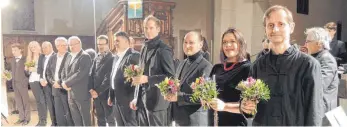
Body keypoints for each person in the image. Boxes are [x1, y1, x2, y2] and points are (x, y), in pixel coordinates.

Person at [240, 5, 323, 126]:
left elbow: (314, 111)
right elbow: (248, 103)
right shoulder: (258, 65)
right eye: (270, 25)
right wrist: (245, 106)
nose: (275, 29)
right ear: (265, 30)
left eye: (281, 24)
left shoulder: (308, 65)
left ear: (292, 27)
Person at [130, 15, 176, 126]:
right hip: (143, 101)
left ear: (158, 29)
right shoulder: (144, 47)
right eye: (146, 28)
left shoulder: (163, 49)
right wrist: (136, 97)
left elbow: (170, 77)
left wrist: (148, 79)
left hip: (157, 103)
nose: (148, 31)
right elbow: (141, 74)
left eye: (151, 28)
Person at [166, 31, 212, 126]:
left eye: (191, 43)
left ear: (200, 44)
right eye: (185, 42)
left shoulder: (206, 66)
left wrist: (178, 97)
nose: (187, 46)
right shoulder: (182, 63)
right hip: (179, 119)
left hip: (194, 120)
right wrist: (170, 91)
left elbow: (203, 97)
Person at [208, 28, 251, 126]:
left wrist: (224, 106)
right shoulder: (217, 68)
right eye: (224, 42)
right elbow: (209, 95)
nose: (227, 45)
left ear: (241, 44)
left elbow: (249, 106)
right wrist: (205, 99)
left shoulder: (247, 68)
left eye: (232, 41)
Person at [304, 27, 339, 126]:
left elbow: (319, 85)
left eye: (308, 41)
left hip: (323, 113)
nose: (305, 44)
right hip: (316, 110)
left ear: (319, 43)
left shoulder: (327, 59)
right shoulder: (315, 57)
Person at [108, 32, 140, 126]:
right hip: (117, 99)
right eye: (115, 41)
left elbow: (137, 79)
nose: (115, 43)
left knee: (130, 124)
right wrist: (111, 95)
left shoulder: (134, 56)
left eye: (118, 41)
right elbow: (113, 76)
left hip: (128, 98)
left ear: (126, 42)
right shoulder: (116, 57)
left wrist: (135, 98)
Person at [61, 36, 92, 126]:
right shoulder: (69, 56)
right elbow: (63, 70)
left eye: (72, 44)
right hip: (70, 92)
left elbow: (81, 73)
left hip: (81, 93)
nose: (71, 47)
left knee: (85, 118)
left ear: (79, 44)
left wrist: (67, 83)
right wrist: (63, 82)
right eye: (69, 45)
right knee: (76, 118)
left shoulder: (85, 56)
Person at [46, 37, 74, 126]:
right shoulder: (52, 57)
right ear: (56, 46)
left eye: (65, 45)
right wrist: (53, 82)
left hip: (66, 88)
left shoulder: (71, 56)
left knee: (69, 112)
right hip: (55, 88)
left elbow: (71, 73)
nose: (64, 47)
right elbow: (48, 72)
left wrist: (60, 82)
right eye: (61, 45)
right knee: (59, 113)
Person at [89, 35, 115, 126]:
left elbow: (108, 78)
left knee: (110, 119)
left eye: (102, 44)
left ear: (108, 44)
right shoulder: (96, 57)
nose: (100, 46)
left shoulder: (112, 58)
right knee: (100, 118)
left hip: (106, 93)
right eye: (98, 44)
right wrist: (91, 89)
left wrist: (98, 91)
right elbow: (91, 74)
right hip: (95, 94)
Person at [11, 43, 30, 125]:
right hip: (15, 84)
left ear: (20, 50)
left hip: (23, 84)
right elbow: (12, 72)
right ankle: (21, 118)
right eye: (12, 50)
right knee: (19, 102)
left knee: (25, 102)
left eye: (15, 50)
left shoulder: (26, 59)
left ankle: (27, 119)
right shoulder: (12, 60)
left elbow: (30, 72)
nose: (13, 52)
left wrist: (26, 81)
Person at [38, 41, 57, 126]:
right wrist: (41, 79)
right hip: (45, 85)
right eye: (43, 48)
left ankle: (58, 123)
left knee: (56, 105)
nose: (44, 49)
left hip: (54, 84)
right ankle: (53, 123)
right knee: (50, 105)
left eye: (46, 47)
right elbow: (40, 70)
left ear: (51, 47)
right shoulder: (42, 57)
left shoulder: (56, 56)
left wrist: (50, 81)